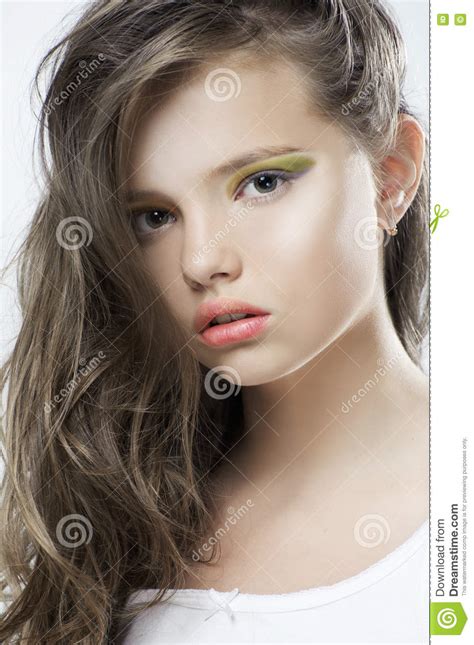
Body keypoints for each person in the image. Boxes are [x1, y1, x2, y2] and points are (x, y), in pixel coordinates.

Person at [0, 1, 429, 643]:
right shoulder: (111, 523)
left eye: (260, 183)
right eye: (154, 217)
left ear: (391, 175)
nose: (201, 260)